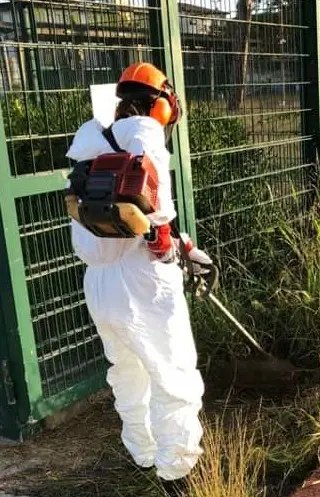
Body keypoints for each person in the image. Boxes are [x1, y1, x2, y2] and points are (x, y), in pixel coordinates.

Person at [65, 62, 211, 480]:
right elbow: (155, 226)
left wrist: (185, 246)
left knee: (126, 372)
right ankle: (179, 474)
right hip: (145, 283)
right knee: (173, 375)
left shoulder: (89, 144)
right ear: (162, 104)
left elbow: (127, 216)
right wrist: (171, 249)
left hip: (98, 281)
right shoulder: (146, 137)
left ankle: (144, 457)